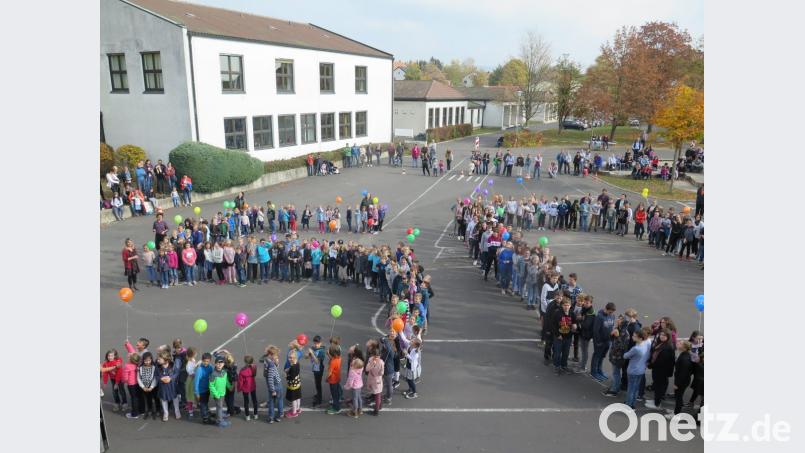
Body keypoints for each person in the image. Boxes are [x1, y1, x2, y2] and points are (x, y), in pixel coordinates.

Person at [645, 329, 675, 410]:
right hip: (658, 370)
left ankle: (657, 404)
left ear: (668, 337)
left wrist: (651, 364)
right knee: (657, 385)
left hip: (661, 371)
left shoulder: (668, 347)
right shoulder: (662, 343)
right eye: (661, 334)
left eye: (664, 335)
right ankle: (655, 400)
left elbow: (661, 361)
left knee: (659, 387)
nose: (662, 336)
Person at [623, 330, 650, 409]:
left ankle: (628, 404)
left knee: (631, 388)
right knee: (636, 388)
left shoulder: (636, 348)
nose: (632, 337)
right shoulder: (646, 344)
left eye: (635, 336)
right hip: (641, 370)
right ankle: (632, 403)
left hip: (633, 370)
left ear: (641, 338)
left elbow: (625, 356)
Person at [591, 302, 617, 381]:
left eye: (612, 312)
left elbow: (611, 327)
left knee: (602, 356)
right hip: (600, 341)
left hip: (608, 341)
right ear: (606, 309)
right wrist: (598, 341)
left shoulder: (612, 316)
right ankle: (594, 372)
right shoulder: (599, 317)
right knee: (597, 356)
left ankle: (599, 370)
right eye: (610, 312)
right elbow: (595, 331)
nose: (611, 314)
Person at [156, 352, 181, 422]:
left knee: (175, 398)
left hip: (172, 386)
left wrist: (170, 378)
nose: (158, 360)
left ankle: (177, 411)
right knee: (164, 399)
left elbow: (176, 373)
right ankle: (165, 413)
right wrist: (161, 379)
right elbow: (156, 376)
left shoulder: (173, 366)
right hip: (163, 387)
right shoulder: (158, 367)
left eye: (159, 359)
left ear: (166, 360)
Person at [285, 349, 302, 418]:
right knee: (298, 397)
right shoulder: (297, 363)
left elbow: (291, 377)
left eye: (291, 358)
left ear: (295, 358)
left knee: (293, 399)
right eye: (289, 357)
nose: (289, 359)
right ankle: (298, 409)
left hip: (293, 385)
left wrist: (286, 376)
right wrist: (289, 369)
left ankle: (294, 412)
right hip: (297, 383)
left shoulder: (293, 367)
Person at [326, 345, 343, 415]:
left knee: (334, 395)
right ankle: (335, 405)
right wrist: (329, 355)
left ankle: (337, 408)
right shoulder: (339, 358)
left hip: (332, 380)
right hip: (337, 378)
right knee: (336, 393)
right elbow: (333, 358)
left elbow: (329, 373)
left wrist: (326, 378)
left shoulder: (332, 362)